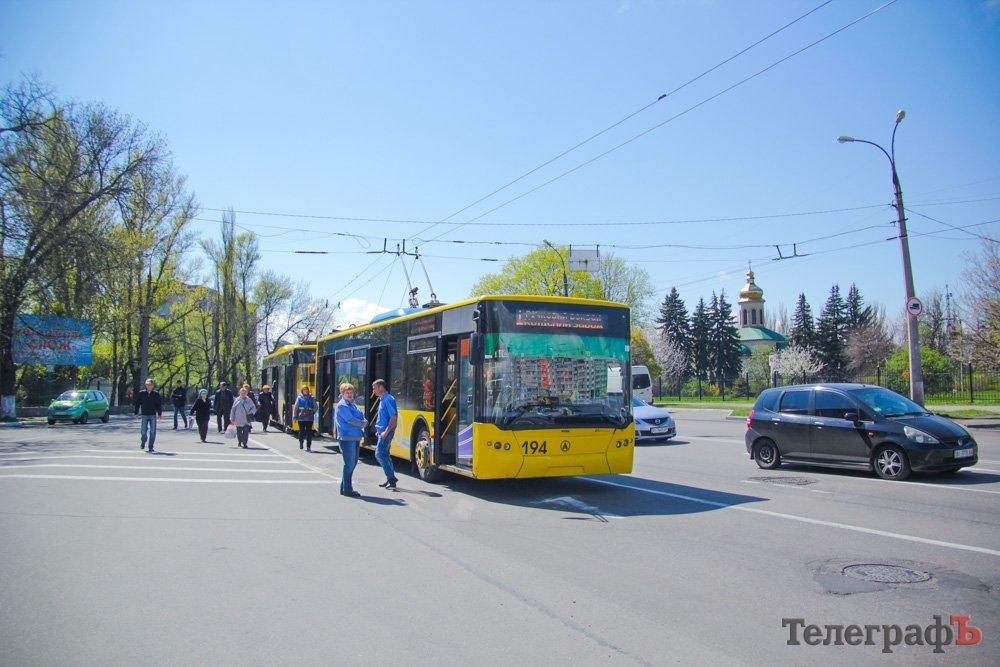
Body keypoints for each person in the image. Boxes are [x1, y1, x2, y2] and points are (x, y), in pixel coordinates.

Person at [335, 383, 366, 497]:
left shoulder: (353, 405)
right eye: (347, 393)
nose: (349, 394)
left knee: (353, 463)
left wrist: (363, 421)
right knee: (349, 464)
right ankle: (347, 489)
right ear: (342, 394)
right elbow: (351, 420)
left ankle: (344, 487)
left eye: (351, 392)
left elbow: (361, 416)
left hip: (356, 436)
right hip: (347, 437)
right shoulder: (342, 406)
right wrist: (363, 423)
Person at [372, 379, 398, 489]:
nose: (373, 391)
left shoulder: (388, 399)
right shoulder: (383, 399)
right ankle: (390, 478)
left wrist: (386, 432)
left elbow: (394, 417)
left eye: (374, 388)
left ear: (381, 387)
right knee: (385, 455)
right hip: (382, 432)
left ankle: (391, 478)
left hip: (386, 433)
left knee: (379, 454)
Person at [133, 378, 163, 453]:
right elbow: (137, 403)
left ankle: (150, 447)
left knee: (153, 431)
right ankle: (143, 441)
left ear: (153, 386)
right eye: (147, 384)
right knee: (143, 431)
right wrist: (136, 413)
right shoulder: (141, 393)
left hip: (153, 414)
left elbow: (159, 405)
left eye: (150, 385)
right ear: (146, 385)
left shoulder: (156, 394)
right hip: (144, 415)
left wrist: (159, 414)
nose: (149, 386)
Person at [293, 385, 316, 452]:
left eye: (306, 390)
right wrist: (295, 416)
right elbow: (296, 407)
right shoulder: (299, 398)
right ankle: (301, 442)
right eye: (304, 390)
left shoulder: (312, 398)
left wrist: (312, 412)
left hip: (309, 417)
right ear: (302, 391)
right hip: (301, 417)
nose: (305, 391)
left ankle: (308, 446)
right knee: (301, 431)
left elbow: (315, 406)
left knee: (309, 432)